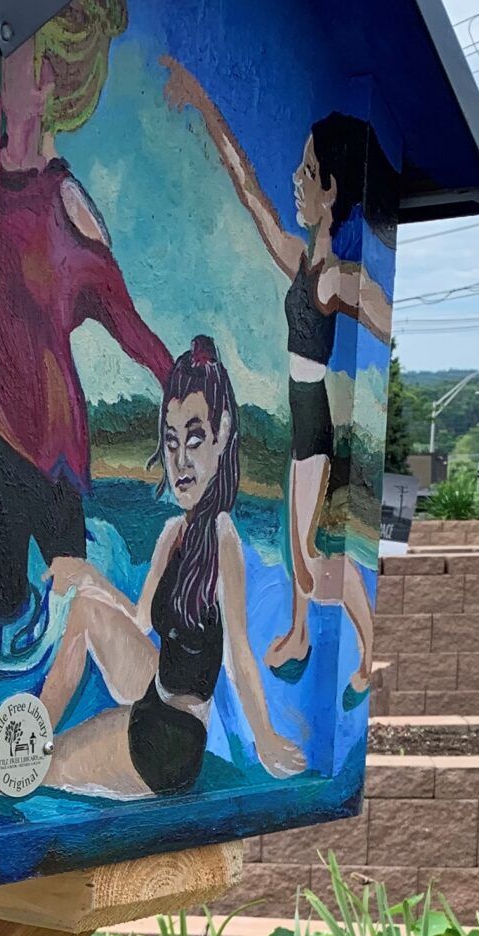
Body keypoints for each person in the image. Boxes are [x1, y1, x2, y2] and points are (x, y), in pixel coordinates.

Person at [0, 0, 172, 671]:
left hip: (57, 438)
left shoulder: (72, 213)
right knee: (8, 595)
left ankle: (133, 675)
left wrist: (185, 381)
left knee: (70, 585)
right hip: (7, 424)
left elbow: (129, 326)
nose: (2, 64)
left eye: (16, 56)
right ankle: (11, 711)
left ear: (43, 85)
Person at [158, 66, 394, 704]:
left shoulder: (334, 279)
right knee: (295, 548)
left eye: (308, 171)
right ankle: (298, 635)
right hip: (300, 417)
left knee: (315, 557)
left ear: (331, 190)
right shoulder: (301, 262)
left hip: (316, 417)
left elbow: (383, 310)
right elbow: (250, 193)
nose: (296, 178)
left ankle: (372, 652)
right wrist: (203, 105)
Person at [31, 339, 303, 799]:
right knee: (85, 610)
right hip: (154, 692)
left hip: (172, 741)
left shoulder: (222, 538)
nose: (179, 462)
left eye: (194, 441)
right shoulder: (172, 532)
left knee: (45, 766)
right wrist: (89, 576)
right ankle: (26, 733)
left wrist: (266, 740)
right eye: (172, 442)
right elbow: (139, 618)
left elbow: (238, 655)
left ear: (222, 434)